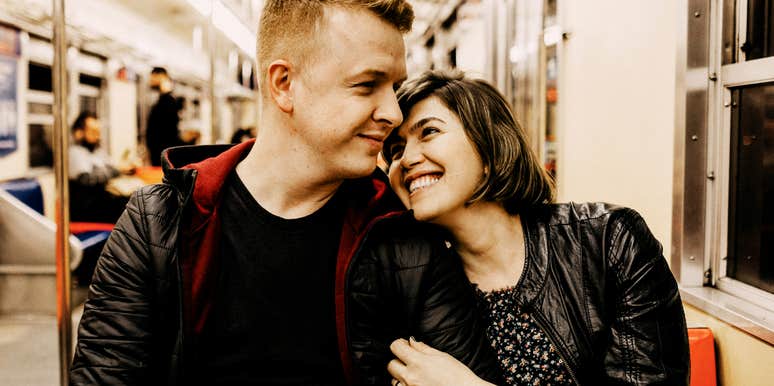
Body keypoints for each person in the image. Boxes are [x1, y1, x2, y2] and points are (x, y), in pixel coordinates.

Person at [70, 2, 500, 385]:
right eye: (367, 85)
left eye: (393, 87)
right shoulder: (158, 223)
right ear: (284, 84)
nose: (392, 113)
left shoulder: (402, 236)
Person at [382, 70, 690, 386]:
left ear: (490, 146)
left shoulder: (609, 241)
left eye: (429, 131)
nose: (406, 159)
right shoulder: (409, 282)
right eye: (395, 149)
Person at [68, 111, 129, 224]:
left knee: (134, 202)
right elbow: (87, 179)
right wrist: (115, 170)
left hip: (100, 203)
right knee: (127, 209)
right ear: (78, 133)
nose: (98, 136)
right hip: (85, 210)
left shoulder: (96, 151)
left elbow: (111, 167)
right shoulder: (74, 153)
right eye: (93, 132)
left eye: (98, 132)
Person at [146, 67, 186, 166]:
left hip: (163, 153)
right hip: (159, 153)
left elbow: (168, 130)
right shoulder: (162, 100)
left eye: (153, 77)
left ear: (162, 76)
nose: (150, 81)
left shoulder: (169, 101)